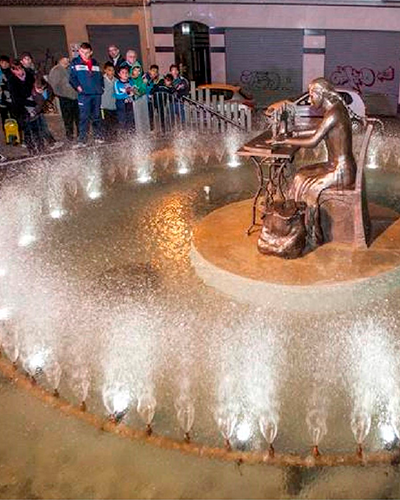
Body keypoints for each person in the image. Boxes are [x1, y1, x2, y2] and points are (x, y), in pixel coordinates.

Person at [269, 77, 357, 245]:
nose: (309, 100)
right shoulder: (334, 110)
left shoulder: (334, 113)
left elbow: (313, 141)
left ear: (321, 94)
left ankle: (310, 232)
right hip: (335, 167)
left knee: (303, 181)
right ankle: (294, 223)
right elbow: (317, 131)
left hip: (341, 171)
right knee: (300, 174)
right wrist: (293, 135)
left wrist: (285, 141)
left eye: (311, 95)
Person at [69, 42, 104, 146]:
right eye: (82, 52)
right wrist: (78, 87)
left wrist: (101, 87)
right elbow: (72, 78)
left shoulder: (95, 63)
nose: (85, 54)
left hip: (96, 94)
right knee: (84, 117)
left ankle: (98, 136)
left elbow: (100, 77)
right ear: (79, 51)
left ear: (91, 52)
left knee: (97, 116)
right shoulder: (75, 62)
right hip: (84, 95)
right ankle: (82, 139)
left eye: (87, 52)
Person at [48, 55, 79, 142]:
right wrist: (60, 94)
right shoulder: (56, 70)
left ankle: (80, 134)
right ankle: (70, 136)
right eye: (65, 59)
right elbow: (53, 85)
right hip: (65, 98)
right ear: (60, 60)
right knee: (68, 118)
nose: (67, 61)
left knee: (78, 117)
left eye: (68, 59)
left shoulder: (70, 69)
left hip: (75, 97)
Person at [8, 60, 35, 140]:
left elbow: (34, 88)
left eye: (20, 68)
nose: (19, 71)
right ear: (12, 71)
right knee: (27, 130)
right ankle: (32, 149)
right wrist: (31, 103)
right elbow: (16, 98)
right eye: (16, 70)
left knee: (37, 127)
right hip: (21, 108)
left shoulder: (29, 75)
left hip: (33, 104)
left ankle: (41, 146)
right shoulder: (11, 81)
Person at [114, 64, 135, 131]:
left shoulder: (131, 82)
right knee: (122, 121)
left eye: (126, 73)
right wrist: (127, 94)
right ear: (119, 74)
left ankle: (130, 135)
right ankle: (122, 136)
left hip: (130, 103)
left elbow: (135, 90)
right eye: (123, 73)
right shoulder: (117, 83)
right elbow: (118, 95)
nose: (125, 74)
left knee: (130, 120)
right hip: (121, 104)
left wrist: (134, 92)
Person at [143, 64, 164, 130]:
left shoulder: (154, 79)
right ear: (149, 71)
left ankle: (161, 127)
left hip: (151, 100)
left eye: (156, 71)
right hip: (145, 101)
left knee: (159, 111)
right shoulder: (145, 78)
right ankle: (150, 129)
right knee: (149, 115)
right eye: (153, 71)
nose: (154, 73)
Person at [130, 65, 149, 133]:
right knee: (138, 118)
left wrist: (143, 85)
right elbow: (138, 92)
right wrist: (143, 84)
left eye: (139, 71)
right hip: (135, 101)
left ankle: (146, 133)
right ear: (132, 71)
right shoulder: (130, 80)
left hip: (143, 100)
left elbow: (144, 91)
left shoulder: (142, 79)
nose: (137, 72)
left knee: (145, 117)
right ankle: (139, 134)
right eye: (135, 70)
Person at [101, 62, 117, 138]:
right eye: (109, 70)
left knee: (114, 123)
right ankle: (106, 137)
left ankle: (114, 137)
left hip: (114, 106)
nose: (111, 72)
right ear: (105, 70)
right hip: (104, 106)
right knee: (105, 123)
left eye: (113, 70)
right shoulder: (101, 80)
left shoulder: (116, 81)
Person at [0, 55, 11, 132]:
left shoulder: (11, 72)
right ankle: (7, 132)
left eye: (6, 62)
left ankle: (16, 132)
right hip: (2, 99)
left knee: (13, 115)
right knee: (4, 116)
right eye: (2, 62)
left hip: (11, 98)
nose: (4, 64)